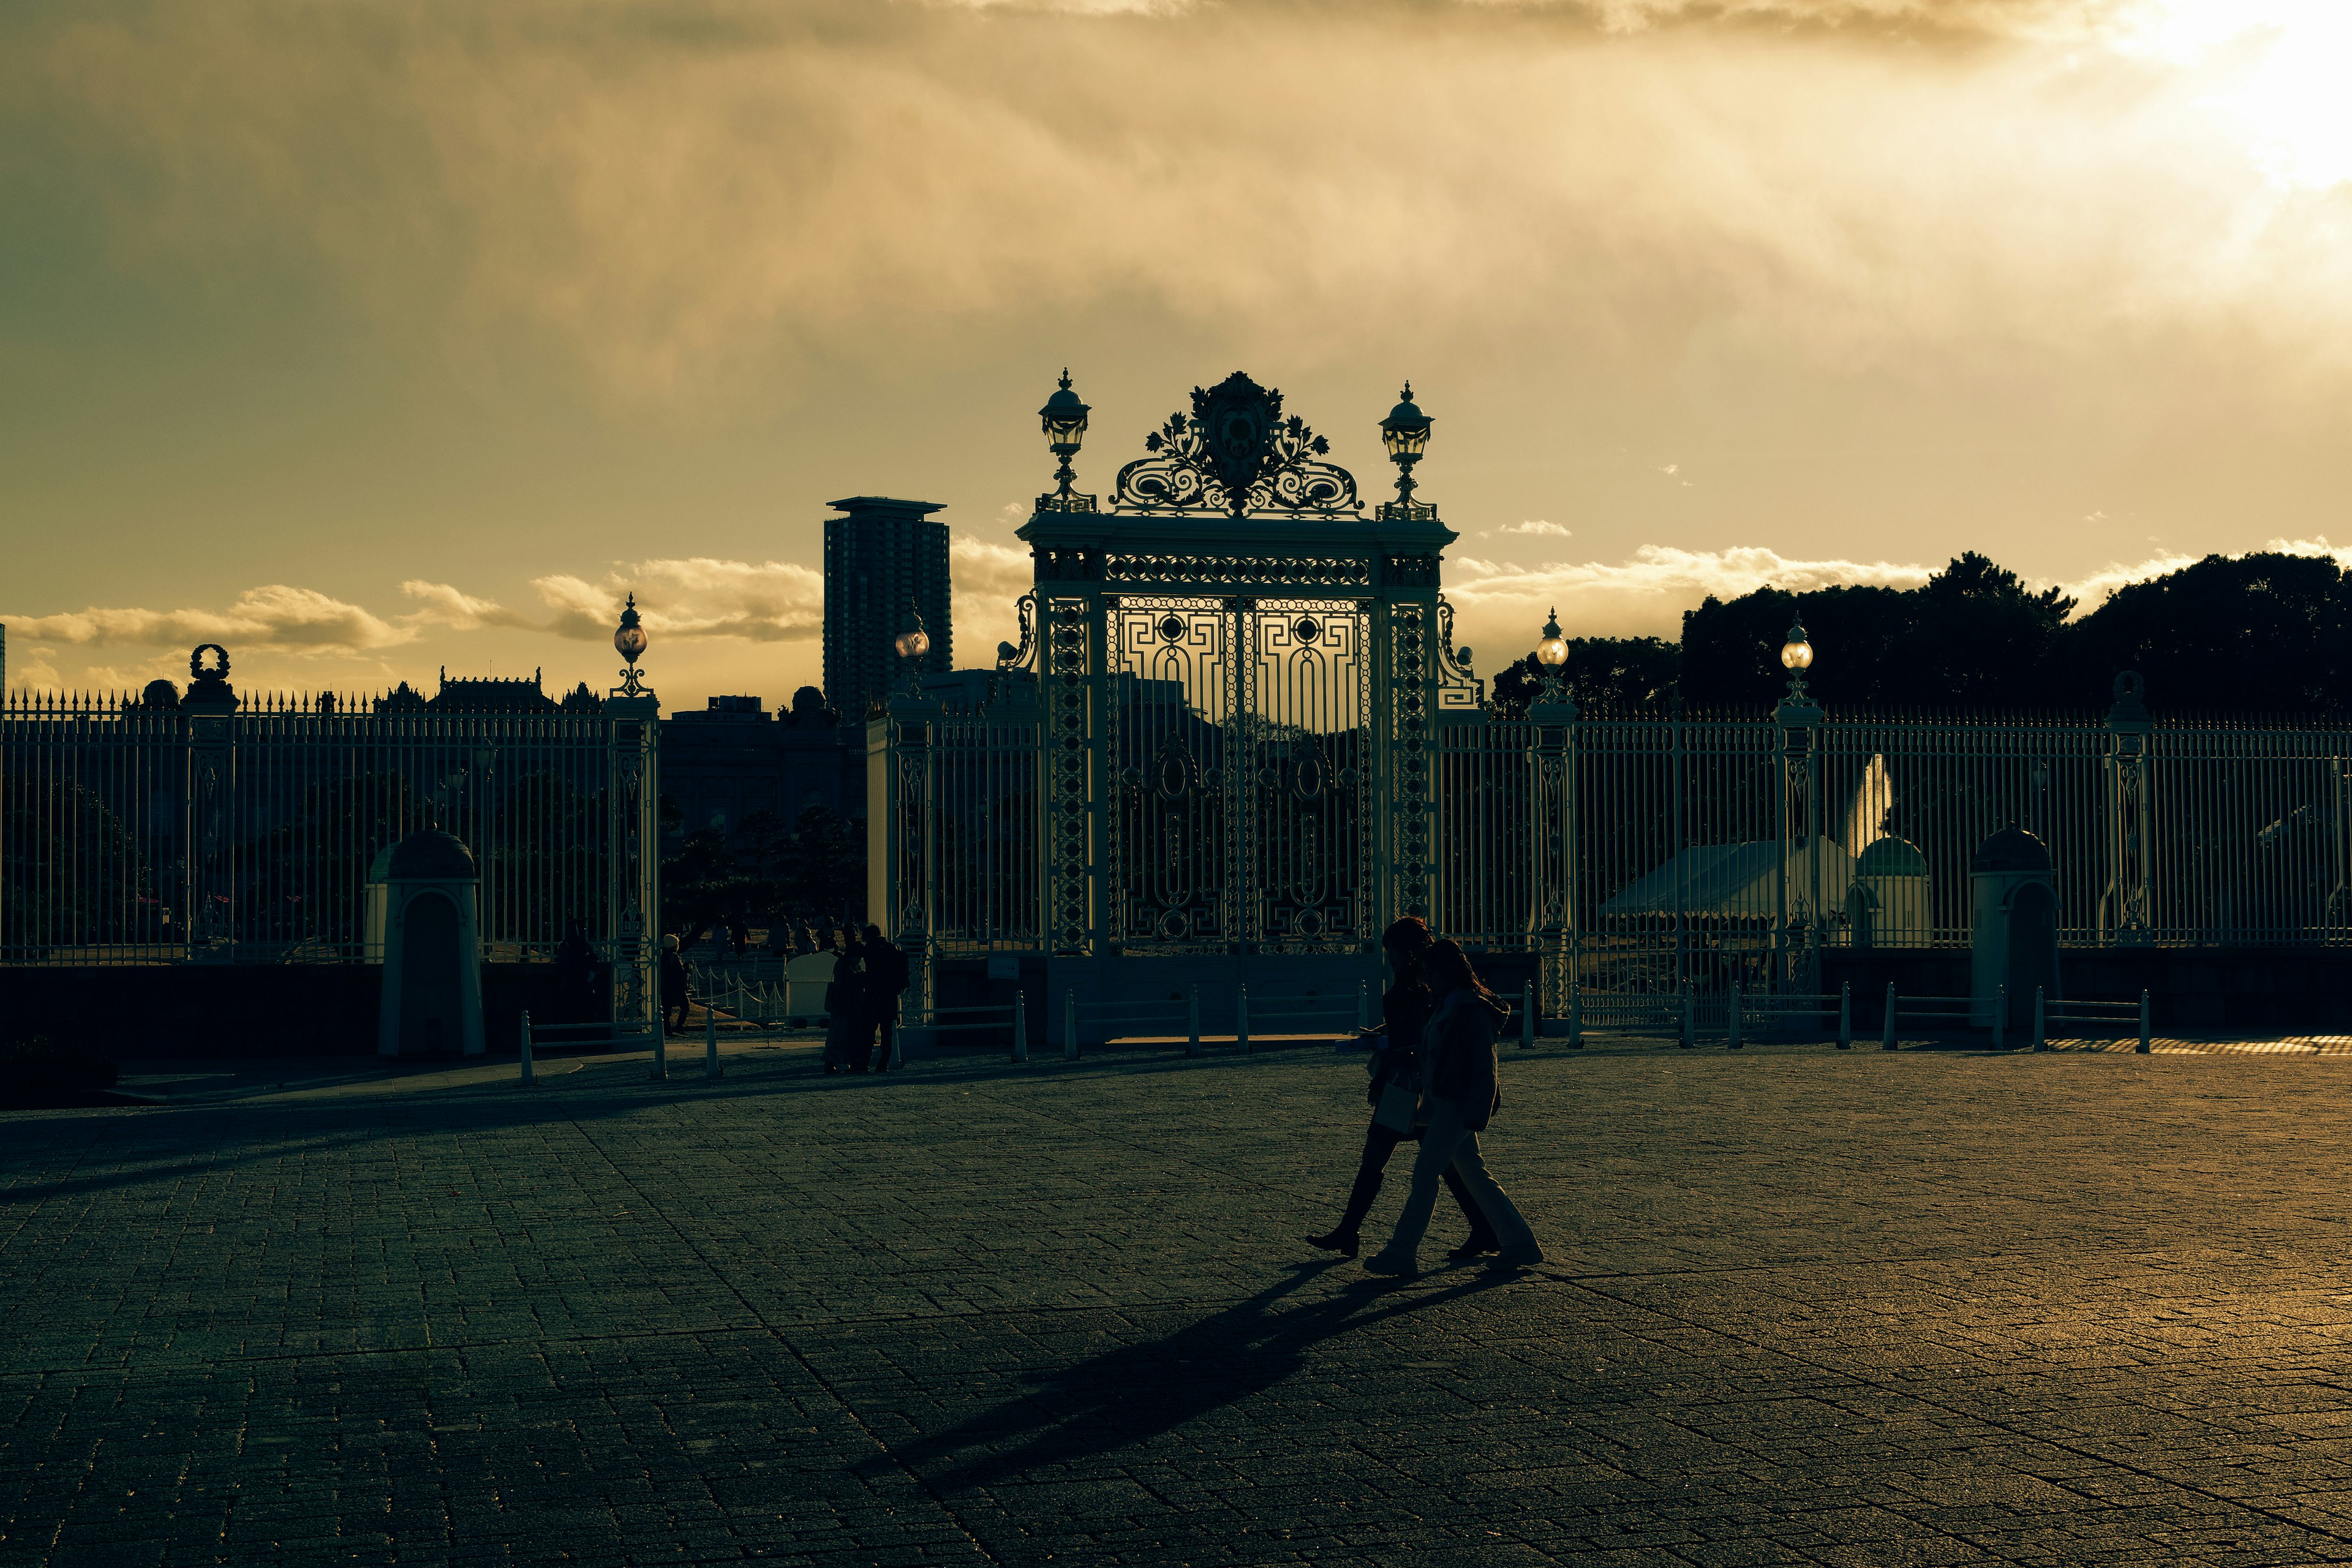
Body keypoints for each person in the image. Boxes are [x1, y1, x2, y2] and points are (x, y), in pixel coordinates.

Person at [1306, 918, 1499, 1262]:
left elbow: (1416, 1040)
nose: (1389, 959)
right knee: (1447, 1164)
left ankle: (1359, 1234)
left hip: (1406, 1087)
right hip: (1417, 1086)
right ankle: (1482, 1227)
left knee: (1387, 1159)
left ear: (1407, 953)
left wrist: (1380, 1078)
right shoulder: (1425, 986)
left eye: (1392, 953)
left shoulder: (1417, 988)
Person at [1363, 939, 1544, 1276]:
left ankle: (1402, 1251)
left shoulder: (1470, 1009)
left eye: (1432, 972)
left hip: (1457, 1105)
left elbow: (1483, 1065)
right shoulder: (1447, 1004)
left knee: (1425, 1173)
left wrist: (1480, 1108)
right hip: (1444, 1101)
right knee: (1474, 1174)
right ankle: (1520, 1243)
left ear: (1449, 971)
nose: (1428, 979)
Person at [859, 925, 910, 1071]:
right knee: (887, 1032)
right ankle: (884, 1063)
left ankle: (865, 1062)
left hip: (874, 995)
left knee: (869, 1031)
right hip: (890, 996)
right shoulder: (892, 948)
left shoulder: (870, 949)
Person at [821, 929, 870, 1074]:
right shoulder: (843, 965)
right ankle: (832, 1062)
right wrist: (862, 977)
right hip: (844, 1006)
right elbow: (846, 983)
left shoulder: (848, 964)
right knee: (840, 1035)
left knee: (844, 1035)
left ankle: (841, 1061)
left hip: (848, 1006)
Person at [553, 919, 599, 1023]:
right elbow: (569, 966)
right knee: (572, 1018)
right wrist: (586, 974)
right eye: (582, 928)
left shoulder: (584, 945)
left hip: (584, 989)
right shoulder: (565, 946)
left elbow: (594, 959)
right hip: (571, 989)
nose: (584, 931)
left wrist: (593, 972)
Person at [659, 934, 691, 1036]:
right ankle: (679, 1027)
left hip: (665, 986)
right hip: (676, 987)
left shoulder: (662, 955)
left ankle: (667, 1029)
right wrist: (687, 968)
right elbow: (680, 972)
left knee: (667, 1008)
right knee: (685, 1005)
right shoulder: (674, 956)